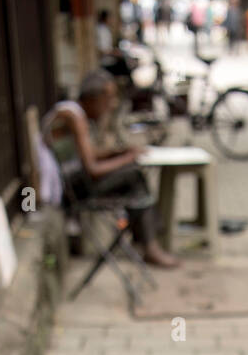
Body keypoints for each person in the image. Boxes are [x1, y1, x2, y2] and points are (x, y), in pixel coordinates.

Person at [42, 70, 178, 269]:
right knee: (135, 177)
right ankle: (150, 242)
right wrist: (126, 158)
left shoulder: (73, 113)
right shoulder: (73, 116)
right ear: (93, 98)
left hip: (74, 183)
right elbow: (93, 169)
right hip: (74, 191)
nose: (111, 104)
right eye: (107, 98)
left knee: (135, 178)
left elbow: (91, 154)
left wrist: (120, 152)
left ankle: (148, 239)